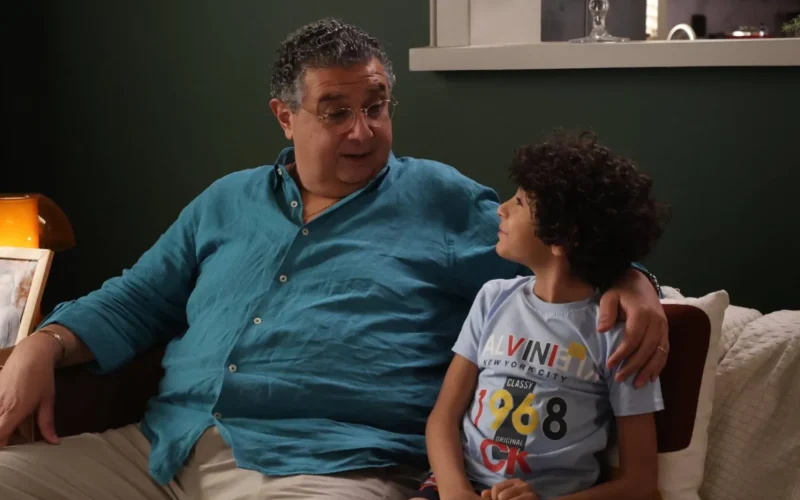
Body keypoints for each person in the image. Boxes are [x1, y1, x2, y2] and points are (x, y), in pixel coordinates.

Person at [0, 19, 669, 500]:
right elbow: (138, 298)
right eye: (336, 112)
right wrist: (42, 345)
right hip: (161, 452)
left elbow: (558, 250)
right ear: (284, 116)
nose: (362, 130)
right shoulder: (225, 201)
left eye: (376, 107)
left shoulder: (438, 200)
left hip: (329, 469)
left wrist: (632, 281)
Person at [412, 133, 670, 500]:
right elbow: (442, 418)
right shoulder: (492, 299)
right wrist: (457, 492)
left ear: (560, 237)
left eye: (519, 202)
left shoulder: (616, 334)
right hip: (458, 485)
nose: (501, 209)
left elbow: (640, 482)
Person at [0, 270, 21, 348]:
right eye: (1, 283)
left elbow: (12, 344)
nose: (3, 287)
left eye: (7, 284)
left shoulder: (12, 313)